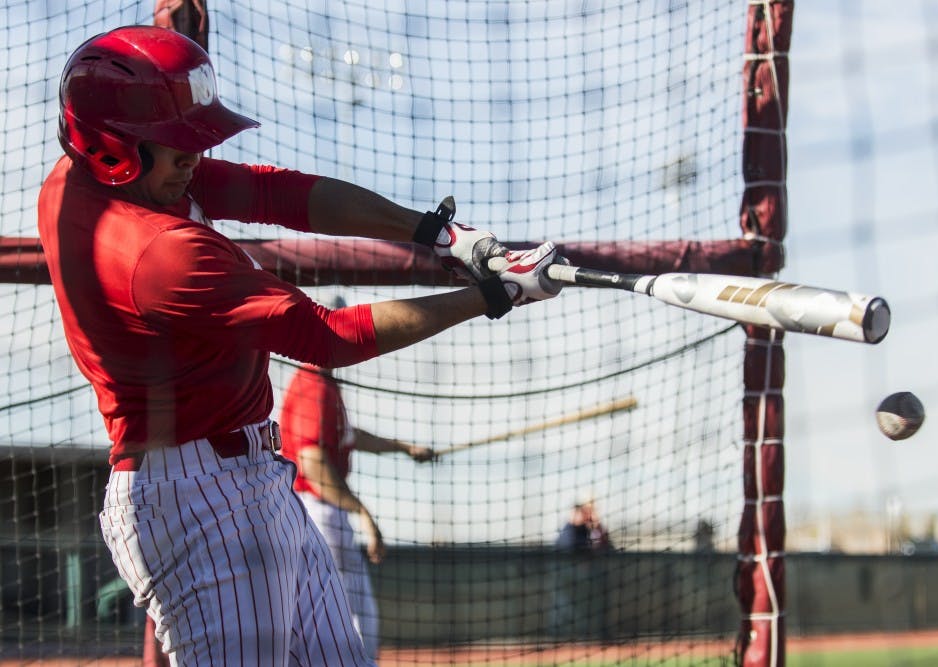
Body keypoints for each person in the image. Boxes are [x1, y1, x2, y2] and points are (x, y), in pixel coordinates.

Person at [38, 25, 561, 666]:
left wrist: (435, 232)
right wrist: (491, 297)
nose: (194, 158)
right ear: (113, 148)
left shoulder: (83, 179)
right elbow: (327, 336)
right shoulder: (160, 255)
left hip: (251, 478)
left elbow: (270, 192)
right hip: (199, 502)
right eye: (176, 146)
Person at [279, 306, 438, 661]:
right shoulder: (315, 384)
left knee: (332, 615)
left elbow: (349, 436)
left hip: (310, 510)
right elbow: (313, 462)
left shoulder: (324, 383)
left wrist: (404, 448)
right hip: (316, 509)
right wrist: (364, 514)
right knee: (351, 617)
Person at [551, 500, 613, 640]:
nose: (583, 516)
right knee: (564, 608)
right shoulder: (569, 529)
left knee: (587, 607)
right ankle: (561, 634)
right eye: (580, 513)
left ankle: (589, 633)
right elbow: (569, 547)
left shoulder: (587, 530)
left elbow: (606, 545)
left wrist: (596, 524)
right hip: (565, 578)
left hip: (584, 582)